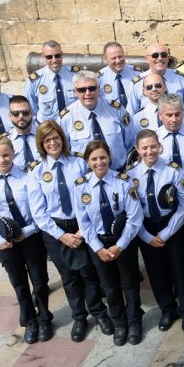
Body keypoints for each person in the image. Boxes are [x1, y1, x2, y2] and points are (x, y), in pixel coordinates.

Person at [27, 121, 114, 342]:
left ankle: (99, 312)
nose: (53, 142)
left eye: (56, 137)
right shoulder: (37, 171)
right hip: (55, 230)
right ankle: (79, 317)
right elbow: (38, 212)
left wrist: (81, 230)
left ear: (63, 139)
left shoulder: (78, 163)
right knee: (69, 276)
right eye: (47, 140)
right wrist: (62, 236)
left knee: (89, 273)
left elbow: (90, 195)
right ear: (41, 144)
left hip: (82, 224)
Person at [0, 134, 52, 344]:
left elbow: (39, 211)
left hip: (30, 236)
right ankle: (29, 321)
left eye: (6, 155)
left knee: (39, 279)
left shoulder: (28, 177)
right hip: (3, 242)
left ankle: (44, 319)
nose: (2, 160)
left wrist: (27, 232)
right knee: (18, 282)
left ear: (13, 154)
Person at [73, 141, 143, 346]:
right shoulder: (80, 186)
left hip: (124, 241)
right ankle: (120, 322)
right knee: (110, 286)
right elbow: (83, 222)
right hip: (99, 244)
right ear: (87, 161)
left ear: (109, 158)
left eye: (103, 157)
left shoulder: (124, 182)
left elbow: (134, 217)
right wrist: (98, 248)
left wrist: (119, 245)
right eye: (94, 159)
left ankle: (134, 321)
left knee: (130, 284)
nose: (99, 162)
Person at [127, 130, 184, 333]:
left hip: (171, 225)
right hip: (145, 227)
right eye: (145, 148)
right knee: (155, 272)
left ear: (159, 146)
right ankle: (167, 309)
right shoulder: (130, 175)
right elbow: (131, 211)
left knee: (179, 270)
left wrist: (165, 234)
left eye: (153, 146)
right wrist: (146, 237)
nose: (150, 151)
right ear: (137, 150)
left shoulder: (173, 170)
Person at [60, 71, 135, 170]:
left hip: (118, 173)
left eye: (92, 88)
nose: (88, 93)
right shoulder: (67, 117)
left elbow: (129, 142)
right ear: (75, 92)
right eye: (82, 90)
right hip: (84, 178)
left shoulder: (116, 110)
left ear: (99, 89)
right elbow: (65, 151)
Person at [128, 43, 184, 123]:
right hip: (150, 130)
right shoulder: (138, 83)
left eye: (164, 55)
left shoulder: (180, 79)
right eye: (155, 55)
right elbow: (131, 114)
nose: (160, 58)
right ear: (146, 59)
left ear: (168, 58)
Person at [24, 40, 79, 123]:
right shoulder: (34, 81)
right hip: (49, 129)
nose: (54, 60)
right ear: (43, 57)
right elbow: (30, 110)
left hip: (74, 124)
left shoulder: (75, 75)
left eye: (57, 56)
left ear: (62, 55)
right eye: (49, 57)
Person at [156, 93, 184, 170]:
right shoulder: (155, 138)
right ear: (160, 115)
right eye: (169, 115)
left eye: (177, 115)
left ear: (183, 113)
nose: (174, 120)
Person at [97, 42, 139, 108]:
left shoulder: (137, 74)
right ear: (105, 59)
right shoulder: (99, 79)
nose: (118, 61)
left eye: (120, 57)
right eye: (113, 58)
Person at [7, 96, 37, 169]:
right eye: (15, 113)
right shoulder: (5, 141)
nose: (21, 117)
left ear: (31, 113)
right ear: (10, 116)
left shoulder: (45, 135)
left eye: (25, 112)